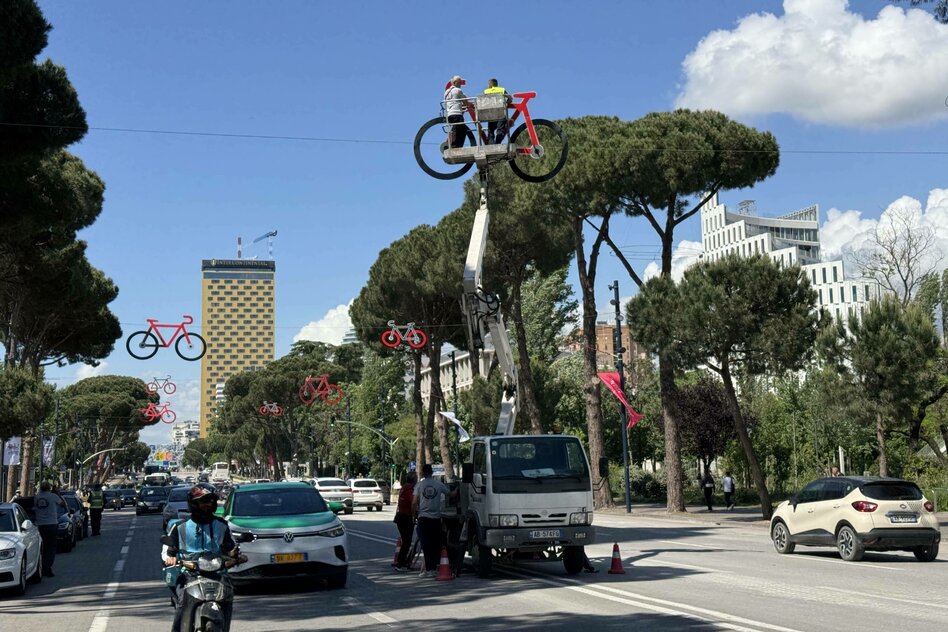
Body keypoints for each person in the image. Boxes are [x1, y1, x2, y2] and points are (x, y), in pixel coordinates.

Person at [163, 486, 241, 632]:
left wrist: (236, 555)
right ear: (194, 504)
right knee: (181, 603)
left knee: (228, 598)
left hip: (218, 574)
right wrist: (170, 559)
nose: (207, 504)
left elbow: (230, 547)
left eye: (210, 501)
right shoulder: (180, 527)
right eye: (203, 501)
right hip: (188, 574)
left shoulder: (222, 525)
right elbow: (170, 551)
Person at [412, 463, 456, 577]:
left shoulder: (419, 485)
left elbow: (414, 502)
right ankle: (435, 567)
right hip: (436, 518)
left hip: (423, 518)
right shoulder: (438, 484)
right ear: (431, 473)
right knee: (436, 544)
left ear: (422, 473)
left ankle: (430, 569)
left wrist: (413, 515)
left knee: (426, 544)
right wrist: (457, 489)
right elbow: (451, 494)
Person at [35, 481, 65, 577]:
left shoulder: (36, 497)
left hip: (40, 525)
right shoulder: (53, 496)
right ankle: (47, 568)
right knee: (50, 548)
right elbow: (62, 504)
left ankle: (41, 566)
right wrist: (57, 493)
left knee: (42, 547)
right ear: (49, 488)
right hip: (51, 524)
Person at [392, 471, 417, 572]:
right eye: (416, 478)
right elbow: (413, 503)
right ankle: (400, 563)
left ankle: (404, 562)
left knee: (406, 541)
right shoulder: (410, 490)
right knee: (406, 542)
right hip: (406, 517)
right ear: (413, 480)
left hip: (400, 517)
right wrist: (415, 514)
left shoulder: (404, 488)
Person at [444, 75, 470, 149]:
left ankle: (455, 145)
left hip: (449, 114)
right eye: (459, 82)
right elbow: (465, 103)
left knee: (456, 129)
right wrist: (467, 104)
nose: (460, 84)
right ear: (455, 82)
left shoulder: (446, 92)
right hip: (457, 113)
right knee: (461, 130)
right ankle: (456, 146)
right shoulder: (458, 90)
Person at [483, 78, 512, 144]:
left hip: (491, 114)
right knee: (500, 130)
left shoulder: (486, 91)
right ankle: (497, 143)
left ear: (490, 84)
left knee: (490, 131)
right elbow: (510, 99)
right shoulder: (502, 90)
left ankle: (491, 144)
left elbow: (483, 102)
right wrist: (506, 102)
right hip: (501, 113)